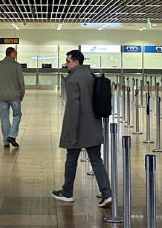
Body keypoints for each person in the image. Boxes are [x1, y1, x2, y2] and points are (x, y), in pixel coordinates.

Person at [52, 49, 112, 207]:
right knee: (96, 160)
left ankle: (67, 192)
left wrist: (71, 133)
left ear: (76, 62)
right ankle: (106, 193)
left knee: (71, 160)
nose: (66, 64)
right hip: (93, 124)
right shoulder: (90, 76)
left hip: (79, 127)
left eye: (68, 61)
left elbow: (73, 108)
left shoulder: (72, 80)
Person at [0, 46, 24, 148]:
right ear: (11, 53)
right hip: (14, 96)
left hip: (2, 96)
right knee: (17, 115)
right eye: (15, 52)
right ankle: (12, 135)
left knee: (4, 118)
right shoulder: (16, 66)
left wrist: (2, 81)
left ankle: (6, 141)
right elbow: (21, 81)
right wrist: (21, 93)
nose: (16, 54)